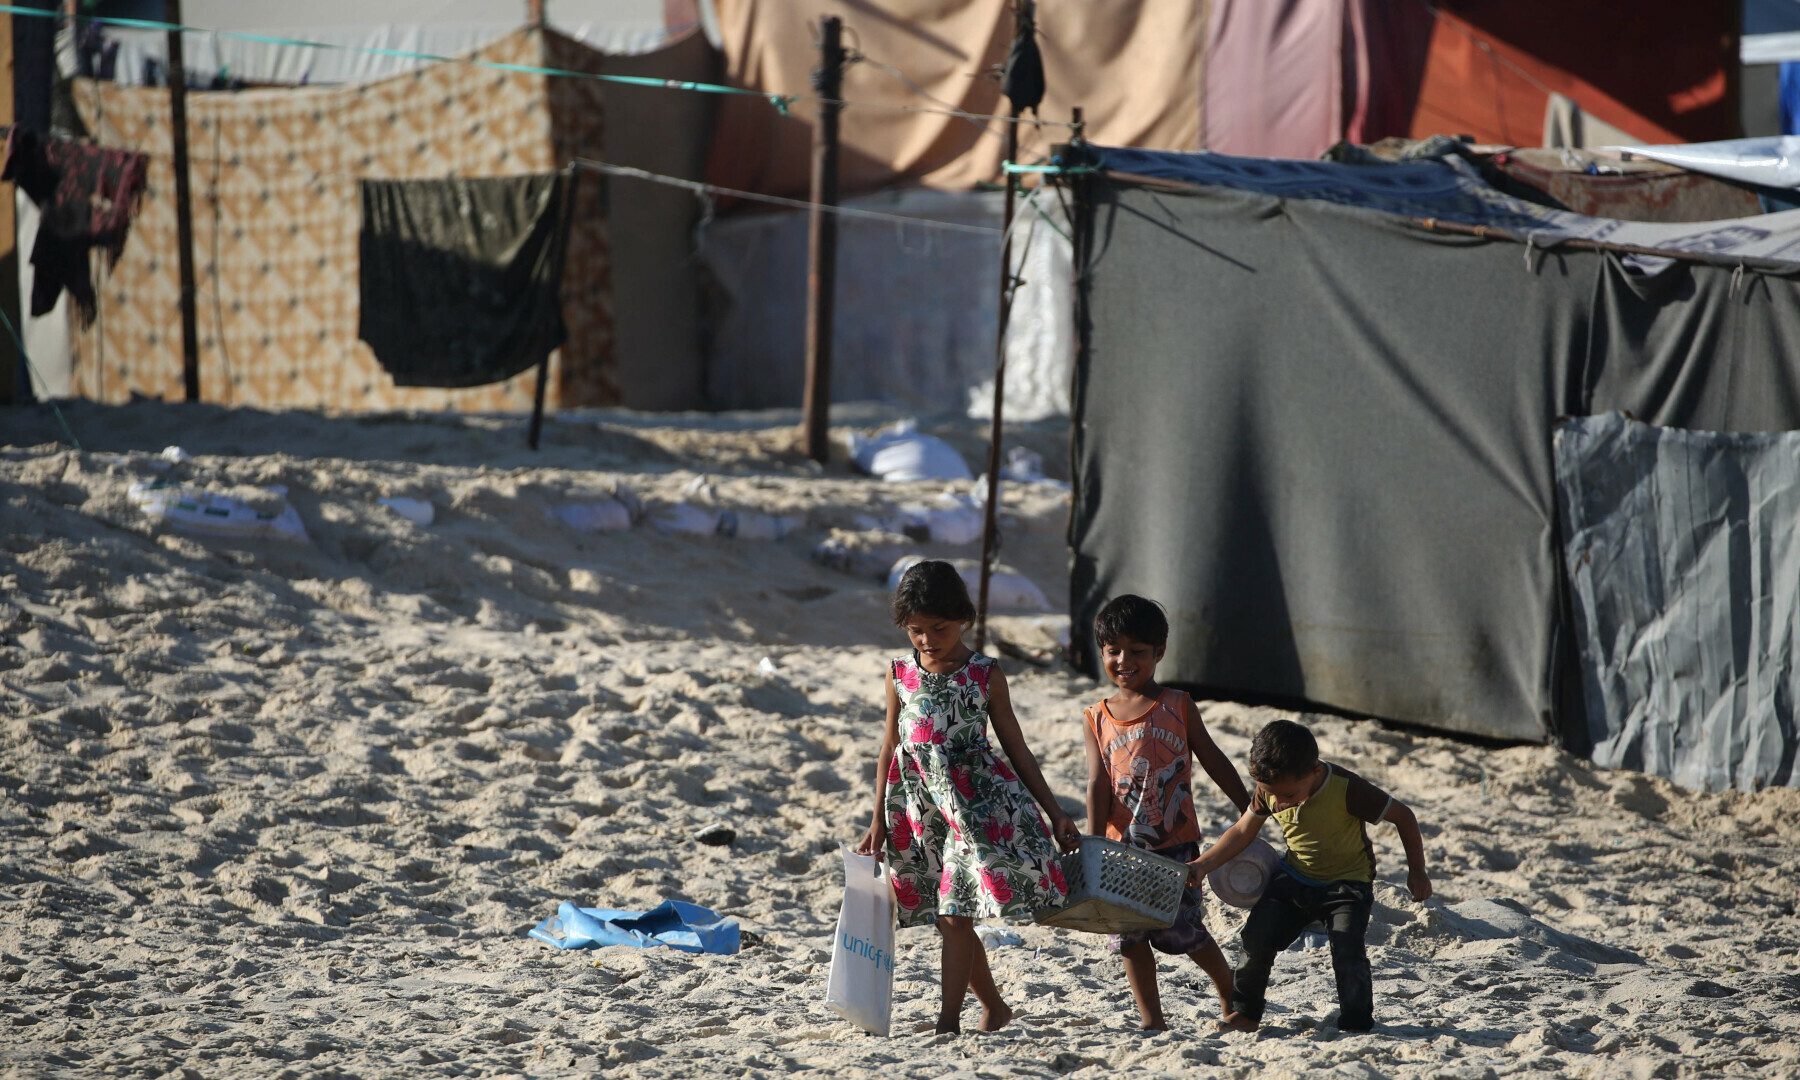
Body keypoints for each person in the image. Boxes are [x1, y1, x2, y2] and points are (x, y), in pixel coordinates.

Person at [856, 559, 1081, 1034]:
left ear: (963, 618)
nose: (927, 639)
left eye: (938, 628)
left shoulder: (984, 674)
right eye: (915, 630)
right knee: (948, 918)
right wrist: (877, 818)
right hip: (917, 810)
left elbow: (1016, 746)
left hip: (974, 808)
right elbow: (889, 746)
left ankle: (947, 1022)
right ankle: (994, 1008)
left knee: (956, 916)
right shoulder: (899, 673)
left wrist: (1054, 811)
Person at [1187, 718, 1432, 1034]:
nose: (1280, 803)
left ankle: (1356, 1024)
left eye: (1289, 795)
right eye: (1272, 795)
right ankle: (1245, 1013)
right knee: (1256, 938)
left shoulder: (1346, 789)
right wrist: (1202, 865)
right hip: (1296, 877)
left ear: (1314, 772)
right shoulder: (1271, 787)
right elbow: (1242, 831)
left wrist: (1417, 871)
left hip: (1348, 885)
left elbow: (1404, 816)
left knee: (1348, 952)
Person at [1082, 595, 1250, 1030]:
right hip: (1122, 850)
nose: (1124, 661)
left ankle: (1230, 994)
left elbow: (1212, 758)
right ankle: (1151, 1019)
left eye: (1137, 651)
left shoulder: (1177, 704)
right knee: (1130, 937)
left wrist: (1248, 807)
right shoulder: (1096, 717)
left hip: (1174, 847)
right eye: (1114, 651)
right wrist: (1093, 843)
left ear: (1159, 653)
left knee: (1183, 931)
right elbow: (1097, 782)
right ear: (1101, 652)